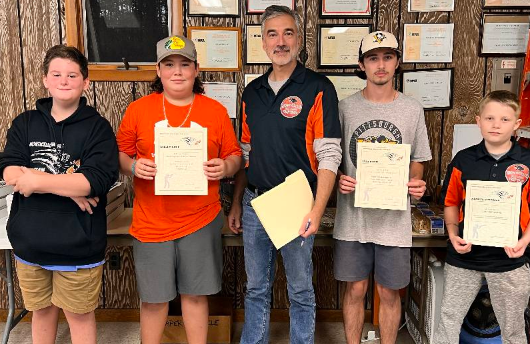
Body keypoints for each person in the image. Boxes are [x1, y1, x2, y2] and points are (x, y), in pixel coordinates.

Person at [116, 35, 242, 344]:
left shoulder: (214, 111)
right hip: (151, 220)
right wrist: (133, 166)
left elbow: (235, 156)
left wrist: (224, 168)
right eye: (169, 64)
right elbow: (119, 153)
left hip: (200, 217)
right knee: (154, 298)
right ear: (158, 71)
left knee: (196, 295)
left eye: (184, 64)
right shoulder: (138, 110)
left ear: (196, 70)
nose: (177, 71)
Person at [227, 5, 342, 344]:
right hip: (255, 202)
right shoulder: (253, 92)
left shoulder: (319, 87)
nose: (280, 41)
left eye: (288, 33)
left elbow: (329, 155)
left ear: (298, 39)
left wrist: (317, 210)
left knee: (301, 289)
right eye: (272, 34)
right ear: (262, 43)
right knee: (257, 288)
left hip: (297, 203)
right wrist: (236, 203)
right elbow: (246, 154)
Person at [0, 45, 119, 344]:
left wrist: (35, 179)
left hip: (78, 243)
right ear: (45, 80)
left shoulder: (97, 128)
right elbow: (8, 168)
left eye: (72, 75)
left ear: (85, 82)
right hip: (30, 242)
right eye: (57, 74)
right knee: (41, 311)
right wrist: (67, 186)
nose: (64, 80)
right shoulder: (25, 123)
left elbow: (94, 181)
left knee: (79, 315)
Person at [333, 31, 432, 344]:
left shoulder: (411, 109)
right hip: (353, 218)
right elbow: (330, 158)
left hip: (394, 219)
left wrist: (414, 180)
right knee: (355, 289)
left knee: (389, 291)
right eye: (373, 58)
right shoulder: (344, 108)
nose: (381, 64)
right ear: (361, 65)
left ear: (397, 62)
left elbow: (419, 159)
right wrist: (338, 177)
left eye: (388, 57)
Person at [435, 90, 530, 343]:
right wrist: (453, 235)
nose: (496, 125)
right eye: (490, 118)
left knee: (513, 328)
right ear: (478, 121)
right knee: (448, 320)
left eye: (505, 120)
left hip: (510, 261)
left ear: (517, 124)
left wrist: (524, 242)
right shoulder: (464, 160)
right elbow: (451, 202)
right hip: (464, 257)